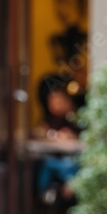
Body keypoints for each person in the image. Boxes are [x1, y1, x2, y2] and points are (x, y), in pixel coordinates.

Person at [35, 73, 83, 205]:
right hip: (54, 158)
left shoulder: (76, 117)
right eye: (52, 101)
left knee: (68, 165)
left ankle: (66, 188)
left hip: (73, 159)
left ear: (67, 100)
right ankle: (46, 193)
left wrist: (72, 135)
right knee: (46, 165)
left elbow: (84, 135)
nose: (55, 105)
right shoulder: (49, 119)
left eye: (58, 101)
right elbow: (41, 131)